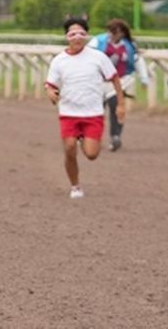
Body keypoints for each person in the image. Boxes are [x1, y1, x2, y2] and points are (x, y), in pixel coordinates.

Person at [45, 17, 125, 199]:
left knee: (91, 154)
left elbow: (114, 78)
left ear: (86, 36)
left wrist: (121, 104)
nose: (77, 38)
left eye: (81, 33)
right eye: (73, 34)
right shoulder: (59, 61)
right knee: (69, 148)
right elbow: (50, 84)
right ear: (67, 37)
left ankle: (84, 139)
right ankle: (75, 186)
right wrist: (50, 93)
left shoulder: (98, 57)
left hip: (93, 113)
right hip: (68, 113)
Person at [87, 19, 149, 151]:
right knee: (96, 110)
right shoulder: (97, 41)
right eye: (109, 31)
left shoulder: (129, 45)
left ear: (121, 32)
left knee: (116, 106)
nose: (110, 35)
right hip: (98, 81)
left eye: (114, 32)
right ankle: (93, 137)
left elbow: (138, 62)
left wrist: (144, 79)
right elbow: (86, 57)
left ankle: (115, 136)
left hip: (119, 82)